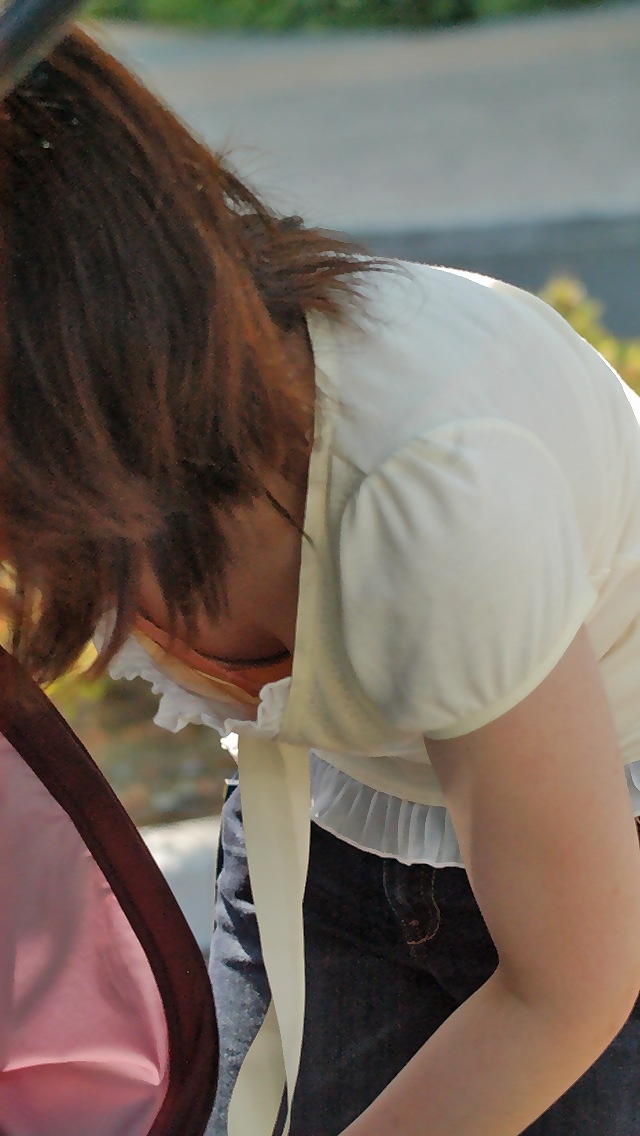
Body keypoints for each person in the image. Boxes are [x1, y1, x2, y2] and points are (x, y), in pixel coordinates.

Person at [3, 24, 640, 1136]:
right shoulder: (110, 466)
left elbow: (569, 987)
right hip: (328, 817)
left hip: (594, 831)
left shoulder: (431, 488)